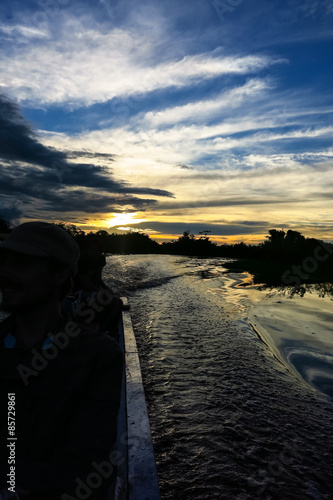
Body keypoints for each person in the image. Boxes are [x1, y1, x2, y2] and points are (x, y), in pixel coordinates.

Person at [0, 222, 123, 500]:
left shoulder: (98, 356)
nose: (5, 273)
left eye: (21, 264)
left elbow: (84, 463)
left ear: (58, 274)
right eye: (3, 261)